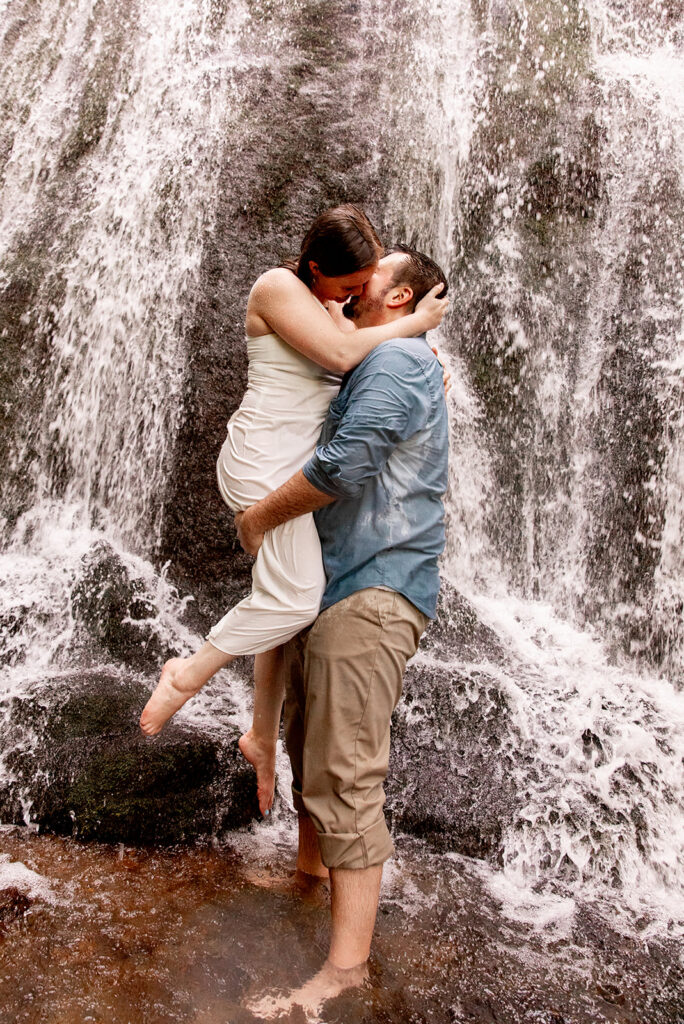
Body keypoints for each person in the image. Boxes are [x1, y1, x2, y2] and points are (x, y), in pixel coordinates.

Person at [139, 207, 448, 819]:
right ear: (315, 268)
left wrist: (420, 348)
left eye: (367, 283)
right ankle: (186, 673)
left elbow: (368, 361)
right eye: (350, 283)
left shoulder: (334, 309)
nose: (358, 294)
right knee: (294, 601)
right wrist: (414, 325)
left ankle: (260, 737)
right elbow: (338, 356)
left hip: (284, 469)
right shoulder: (278, 287)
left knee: (278, 602)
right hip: (260, 464)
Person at [235, 244, 450, 1019]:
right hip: (341, 588)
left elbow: (344, 467)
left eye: (370, 282)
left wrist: (258, 519)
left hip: (374, 589)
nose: (354, 290)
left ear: (398, 299)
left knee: (345, 772)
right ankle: (308, 874)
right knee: (308, 745)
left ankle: (345, 973)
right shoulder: (381, 358)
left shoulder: (394, 367)